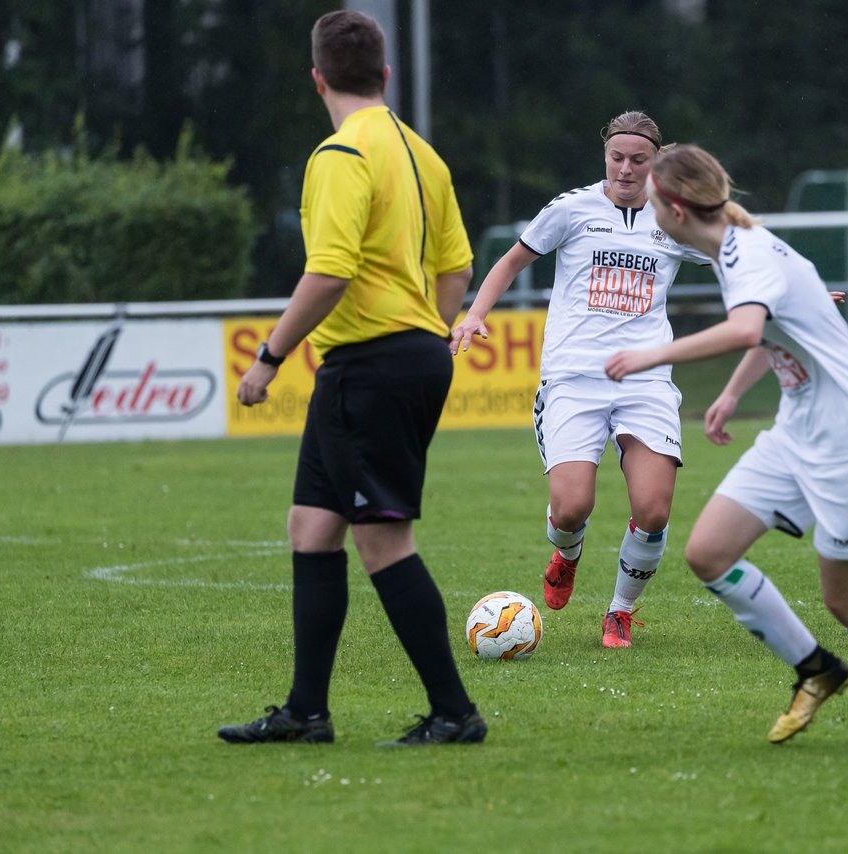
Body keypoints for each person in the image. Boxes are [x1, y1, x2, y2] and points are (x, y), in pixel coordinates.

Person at [605, 144, 848, 749]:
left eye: (650, 201)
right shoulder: (731, 249)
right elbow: (773, 332)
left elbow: (748, 327)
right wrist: (728, 395)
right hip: (797, 431)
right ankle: (816, 669)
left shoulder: (747, 253)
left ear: (673, 207)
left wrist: (651, 354)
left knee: (847, 600)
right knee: (708, 553)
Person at [218, 10, 485, 747]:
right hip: (397, 356)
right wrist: (426, 332)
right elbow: (457, 267)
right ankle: (307, 712)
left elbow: (329, 271)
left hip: (369, 363)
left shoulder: (341, 154)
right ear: (386, 75)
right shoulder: (422, 154)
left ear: (317, 78)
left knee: (382, 541)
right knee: (312, 527)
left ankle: (455, 713)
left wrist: (268, 357)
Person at [450, 111, 710, 648]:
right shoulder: (572, 208)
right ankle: (567, 553)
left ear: (656, 162)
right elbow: (511, 261)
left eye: (639, 160)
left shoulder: (674, 218)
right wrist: (475, 314)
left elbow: (737, 257)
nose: (626, 168)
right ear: (606, 157)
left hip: (645, 380)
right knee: (571, 506)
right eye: (617, 157)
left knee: (654, 508)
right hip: (573, 379)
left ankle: (619, 612)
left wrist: (790, 294)